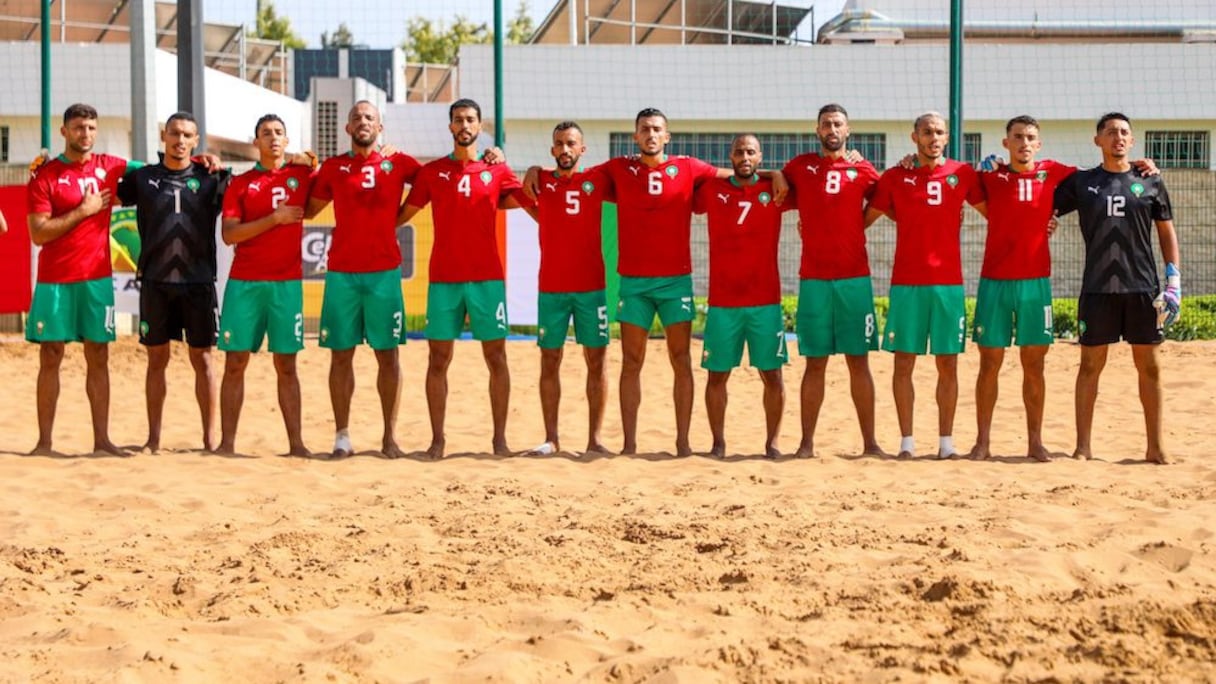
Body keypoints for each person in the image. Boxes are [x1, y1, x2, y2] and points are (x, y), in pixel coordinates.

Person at [397, 98, 533, 459]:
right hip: (444, 279)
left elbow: (527, 201)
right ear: (450, 127)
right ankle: (437, 440)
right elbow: (401, 215)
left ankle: (499, 441)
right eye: (458, 120)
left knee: (497, 358)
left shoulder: (498, 171)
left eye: (470, 119)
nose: (464, 125)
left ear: (480, 126)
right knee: (438, 360)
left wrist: (526, 170)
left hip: (487, 278)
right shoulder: (432, 173)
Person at [1053, 112, 1180, 464]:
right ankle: (1083, 447)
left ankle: (1155, 447)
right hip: (1097, 289)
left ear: (1132, 140)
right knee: (1090, 366)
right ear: (1098, 141)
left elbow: (1166, 231)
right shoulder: (1082, 182)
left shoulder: (1150, 180)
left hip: (1142, 287)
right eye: (1110, 132)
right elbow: (1040, 202)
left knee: (1150, 367)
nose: (1118, 138)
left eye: (1124, 132)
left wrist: (1174, 281)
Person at [864, 112, 985, 459]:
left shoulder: (962, 174)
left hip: (949, 286)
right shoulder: (895, 177)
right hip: (907, 284)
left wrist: (1045, 223)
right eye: (927, 132)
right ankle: (907, 443)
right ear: (914, 136)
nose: (934, 137)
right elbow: (864, 219)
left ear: (947, 138)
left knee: (948, 364)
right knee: (905, 363)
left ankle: (946, 444)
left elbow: (1000, 212)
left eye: (939, 132)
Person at [306, 101, 422, 459]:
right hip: (341, 272)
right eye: (356, 117)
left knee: (388, 356)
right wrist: (303, 169)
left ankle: (389, 437)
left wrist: (494, 156)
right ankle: (342, 436)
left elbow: (437, 180)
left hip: (385, 273)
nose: (363, 122)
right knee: (341, 356)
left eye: (369, 117)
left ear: (380, 127)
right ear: (347, 128)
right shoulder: (335, 166)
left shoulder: (399, 163)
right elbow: (310, 209)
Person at [116, 111, 230, 453]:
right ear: (164, 137)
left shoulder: (213, 178)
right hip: (155, 282)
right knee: (156, 360)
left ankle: (210, 438)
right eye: (174, 134)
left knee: (205, 359)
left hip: (198, 282)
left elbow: (246, 191)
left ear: (196, 141)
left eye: (187, 136)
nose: (180, 140)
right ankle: (153, 438)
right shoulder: (143, 178)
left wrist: (214, 162)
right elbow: (108, 178)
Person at [965, 116, 1076, 462]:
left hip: (1035, 282)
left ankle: (1035, 442)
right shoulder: (989, 175)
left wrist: (1138, 164)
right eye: (1017, 137)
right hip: (994, 281)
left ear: (1038, 144)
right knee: (989, 363)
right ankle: (982, 442)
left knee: (1034, 365)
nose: (1024, 143)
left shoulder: (1053, 172)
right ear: (1006, 143)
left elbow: (1100, 177)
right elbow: (949, 172)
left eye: (1030, 137)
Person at [25, 103, 129, 455]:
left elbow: (163, 169)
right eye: (78, 127)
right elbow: (39, 234)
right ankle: (44, 443)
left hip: (96, 279)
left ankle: (102, 441)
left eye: (91, 128)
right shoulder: (45, 175)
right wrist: (82, 211)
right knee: (50, 356)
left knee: (98, 355)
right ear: (64, 132)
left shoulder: (111, 167)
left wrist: (204, 160)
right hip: (55, 281)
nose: (85, 133)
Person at [782, 103, 884, 459]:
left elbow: (885, 199)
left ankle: (871, 443)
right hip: (813, 279)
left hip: (855, 279)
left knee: (859, 361)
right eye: (826, 124)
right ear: (817, 130)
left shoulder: (862, 169)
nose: (832, 129)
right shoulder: (800, 166)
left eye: (837, 124)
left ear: (848, 129)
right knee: (815, 362)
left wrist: (859, 224)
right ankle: (806, 444)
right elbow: (775, 180)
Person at [217, 113, 315, 456]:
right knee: (235, 363)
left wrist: (312, 160)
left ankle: (297, 444)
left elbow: (335, 173)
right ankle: (226, 444)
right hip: (245, 283)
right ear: (255, 142)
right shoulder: (241, 184)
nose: (273, 138)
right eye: (265, 133)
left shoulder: (302, 175)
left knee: (287, 365)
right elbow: (229, 235)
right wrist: (274, 219)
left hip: (286, 285)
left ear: (287, 141)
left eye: (278, 133)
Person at [694, 134, 792, 458]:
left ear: (760, 156)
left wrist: (774, 175)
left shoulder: (776, 190)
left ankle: (772, 443)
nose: (745, 156)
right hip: (724, 302)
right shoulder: (711, 189)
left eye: (751, 152)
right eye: (739, 152)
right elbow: (695, 182)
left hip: (765, 301)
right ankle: (718, 443)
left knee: (773, 375)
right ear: (730, 156)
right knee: (717, 375)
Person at [524, 121, 613, 456]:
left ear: (582, 149)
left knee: (597, 361)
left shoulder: (597, 178)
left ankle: (595, 440)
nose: (565, 149)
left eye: (571, 144)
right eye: (559, 144)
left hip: (592, 288)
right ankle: (552, 438)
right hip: (552, 289)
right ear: (552, 150)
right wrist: (532, 168)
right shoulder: (541, 181)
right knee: (550, 360)